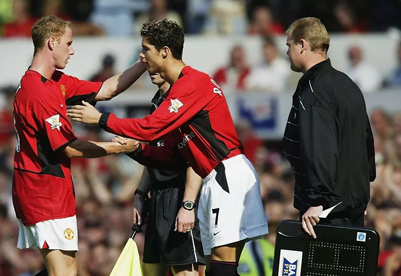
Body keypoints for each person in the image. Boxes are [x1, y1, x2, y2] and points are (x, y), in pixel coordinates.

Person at [68, 19, 269, 276]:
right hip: (216, 177)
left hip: (225, 175)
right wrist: (134, 150)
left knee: (220, 268)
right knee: (220, 267)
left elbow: (151, 127)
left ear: (164, 51)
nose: (141, 56)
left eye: (146, 48)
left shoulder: (192, 83)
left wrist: (102, 120)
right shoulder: (178, 91)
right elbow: (167, 152)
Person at [12, 15, 144, 276]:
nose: (72, 50)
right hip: (43, 190)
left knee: (64, 269)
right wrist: (118, 148)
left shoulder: (54, 83)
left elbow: (106, 89)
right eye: (69, 43)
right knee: (65, 271)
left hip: (50, 188)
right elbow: (68, 147)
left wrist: (142, 63)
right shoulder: (39, 93)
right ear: (52, 42)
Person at [282, 17, 376, 239]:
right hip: (353, 207)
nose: (286, 52)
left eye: (289, 46)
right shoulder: (347, 84)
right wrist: (360, 197)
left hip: (325, 213)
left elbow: (319, 148)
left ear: (303, 44)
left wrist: (319, 201)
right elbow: (366, 144)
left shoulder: (315, 89)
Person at [132, 72, 205, 276]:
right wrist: (139, 193)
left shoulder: (182, 103)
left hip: (179, 194)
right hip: (157, 196)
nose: (147, 64)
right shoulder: (157, 103)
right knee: (154, 271)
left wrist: (187, 205)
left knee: (185, 272)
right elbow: (154, 153)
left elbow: (195, 158)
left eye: (149, 53)